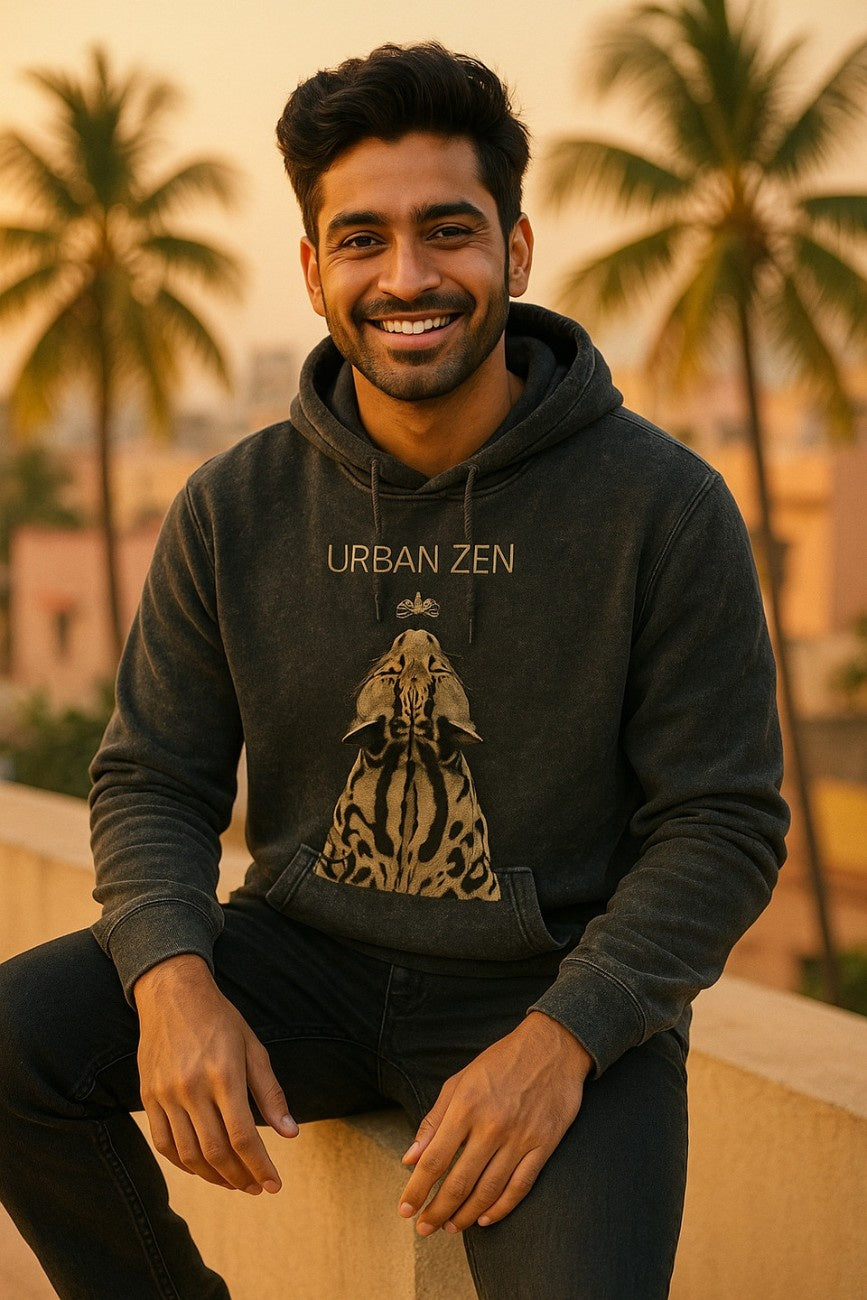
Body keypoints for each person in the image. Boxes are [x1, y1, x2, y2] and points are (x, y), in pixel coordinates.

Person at [0, 42, 789, 1300]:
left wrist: (564, 1040)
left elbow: (724, 823)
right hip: (300, 959)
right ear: (315, 270)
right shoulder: (233, 505)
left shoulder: (665, 508)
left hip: (550, 985)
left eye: (449, 231)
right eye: (362, 238)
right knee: (17, 1038)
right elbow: (151, 775)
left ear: (515, 252)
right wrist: (169, 970)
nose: (407, 276)